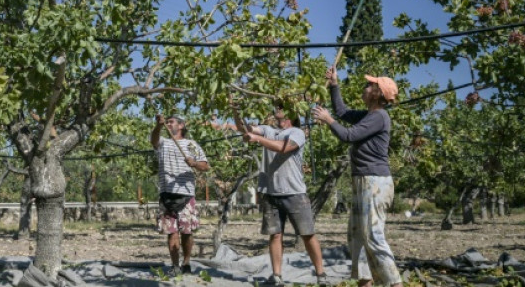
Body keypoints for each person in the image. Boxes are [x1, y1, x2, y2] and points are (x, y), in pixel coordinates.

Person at [313, 67, 403, 287]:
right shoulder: (368, 115)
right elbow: (342, 112)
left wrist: (327, 120)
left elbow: (348, 135)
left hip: (374, 182)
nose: (365, 87)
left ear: (377, 93)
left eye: (370, 85)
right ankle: (365, 282)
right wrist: (334, 85)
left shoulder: (379, 117)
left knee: (373, 236)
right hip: (362, 180)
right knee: (357, 237)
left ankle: (394, 283)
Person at [231, 105, 328, 286]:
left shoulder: (296, 133)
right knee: (275, 235)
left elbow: (283, 148)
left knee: (307, 234)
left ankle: (321, 274)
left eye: (282, 107)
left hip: (294, 193)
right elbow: (243, 129)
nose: (277, 109)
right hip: (271, 193)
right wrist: (236, 112)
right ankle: (277, 276)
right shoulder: (268, 130)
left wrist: (258, 139)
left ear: (291, 113)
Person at [151, 114, 210, 276]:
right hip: (166, 194)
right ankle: (175, 266)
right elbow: (153, 140)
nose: (168, 124)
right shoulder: (163, 143)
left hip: (186, 194)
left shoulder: (191, 145)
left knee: (187, 232)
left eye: (171, 122)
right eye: (167, 122)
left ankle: (186, 263)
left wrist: (195, 163)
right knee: (171, 232)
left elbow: (205, 166)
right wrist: (158, 125)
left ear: (181, 125)